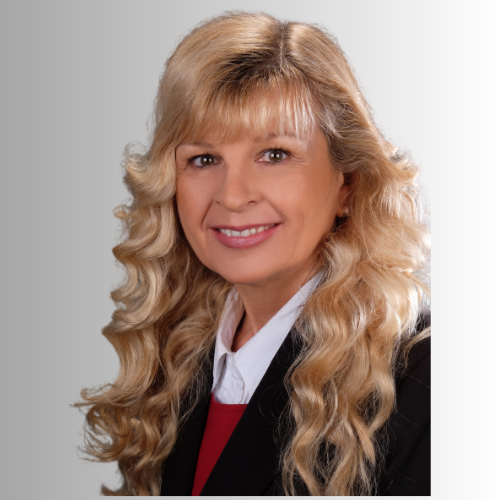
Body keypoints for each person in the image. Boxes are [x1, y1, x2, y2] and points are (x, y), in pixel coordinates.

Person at [78, 11, 430, 496]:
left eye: (275, 155)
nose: (233, 195)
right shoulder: (176, 362)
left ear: (347, 183)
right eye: (203, 159)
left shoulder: (423, 380)